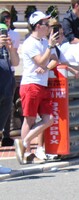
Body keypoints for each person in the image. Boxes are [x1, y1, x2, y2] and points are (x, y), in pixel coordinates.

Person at [18, 11, 59, 164]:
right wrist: (49, 48)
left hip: (42, 84)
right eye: (46, 24)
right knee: (29, 119)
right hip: (31, 84)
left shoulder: (44, 42)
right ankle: (27, 153)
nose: (49, 27)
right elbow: (41, 61)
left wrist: (47, 67)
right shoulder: (30, 43)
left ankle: (25, 141)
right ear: (38, 26)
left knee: (49, 120)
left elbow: (54, 60)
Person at [1, 8, 20, 148]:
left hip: (7, 82)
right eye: (3, 18)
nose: (6, 20)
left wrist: (11, 48)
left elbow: (15, 63)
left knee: (5, 115)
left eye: (8, 17)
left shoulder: (11, 37)